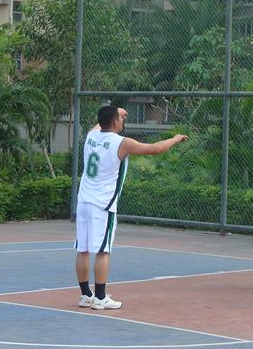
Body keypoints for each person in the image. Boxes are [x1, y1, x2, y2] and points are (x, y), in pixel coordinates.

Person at [75, 105, 188, 310]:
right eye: (120, 118)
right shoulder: (122, 143)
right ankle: (100, 298)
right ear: (114, 122)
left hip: (83, 201)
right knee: (103, 251)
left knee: (82, 250)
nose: (123, 120)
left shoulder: (91, 135)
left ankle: (86, 295)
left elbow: (100, 124)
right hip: (103, 205)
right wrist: (175, 139)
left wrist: (115, 111)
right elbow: (155, 149)